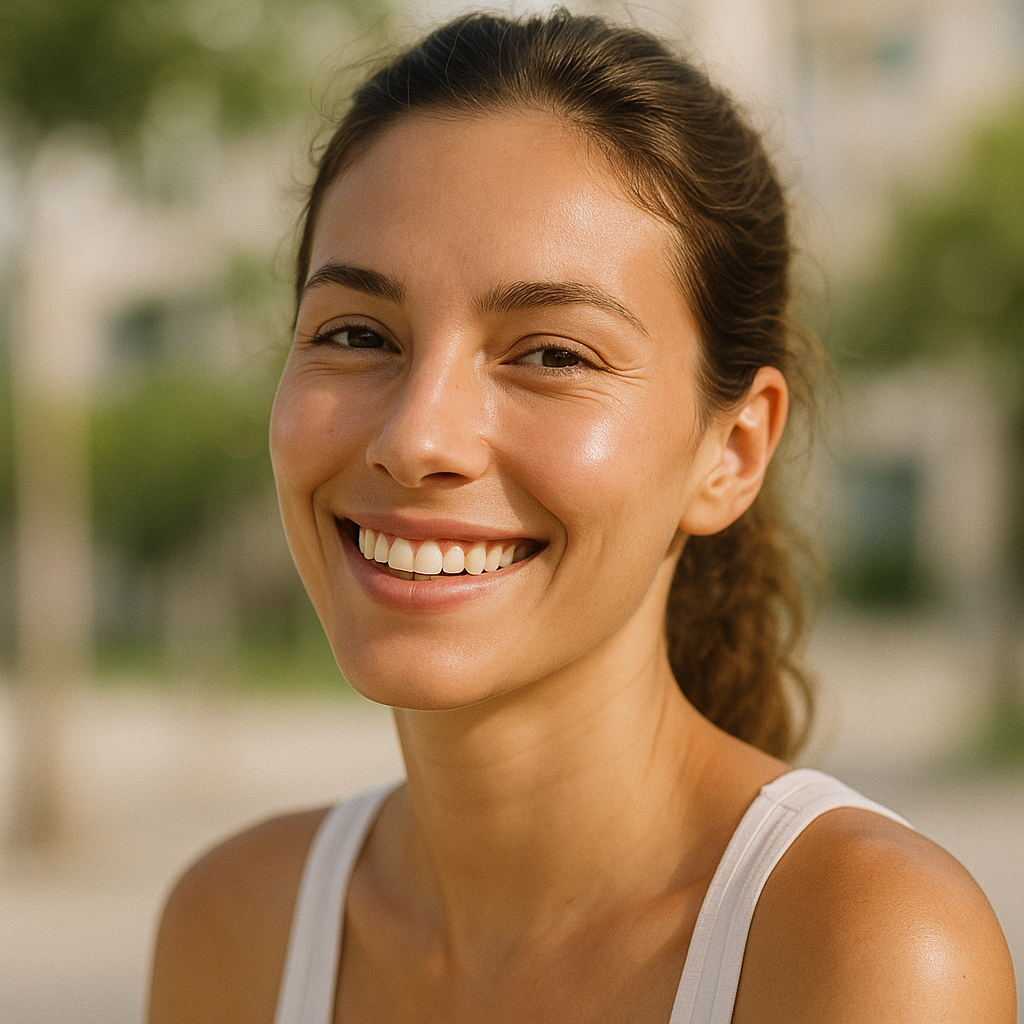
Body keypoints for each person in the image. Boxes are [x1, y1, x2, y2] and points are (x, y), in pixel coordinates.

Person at [147, 10, 1016, 1023]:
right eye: (355, 332)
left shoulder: (859, 949)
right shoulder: (235, 927)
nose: (416, 436)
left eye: (552, 353)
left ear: (731, 453)